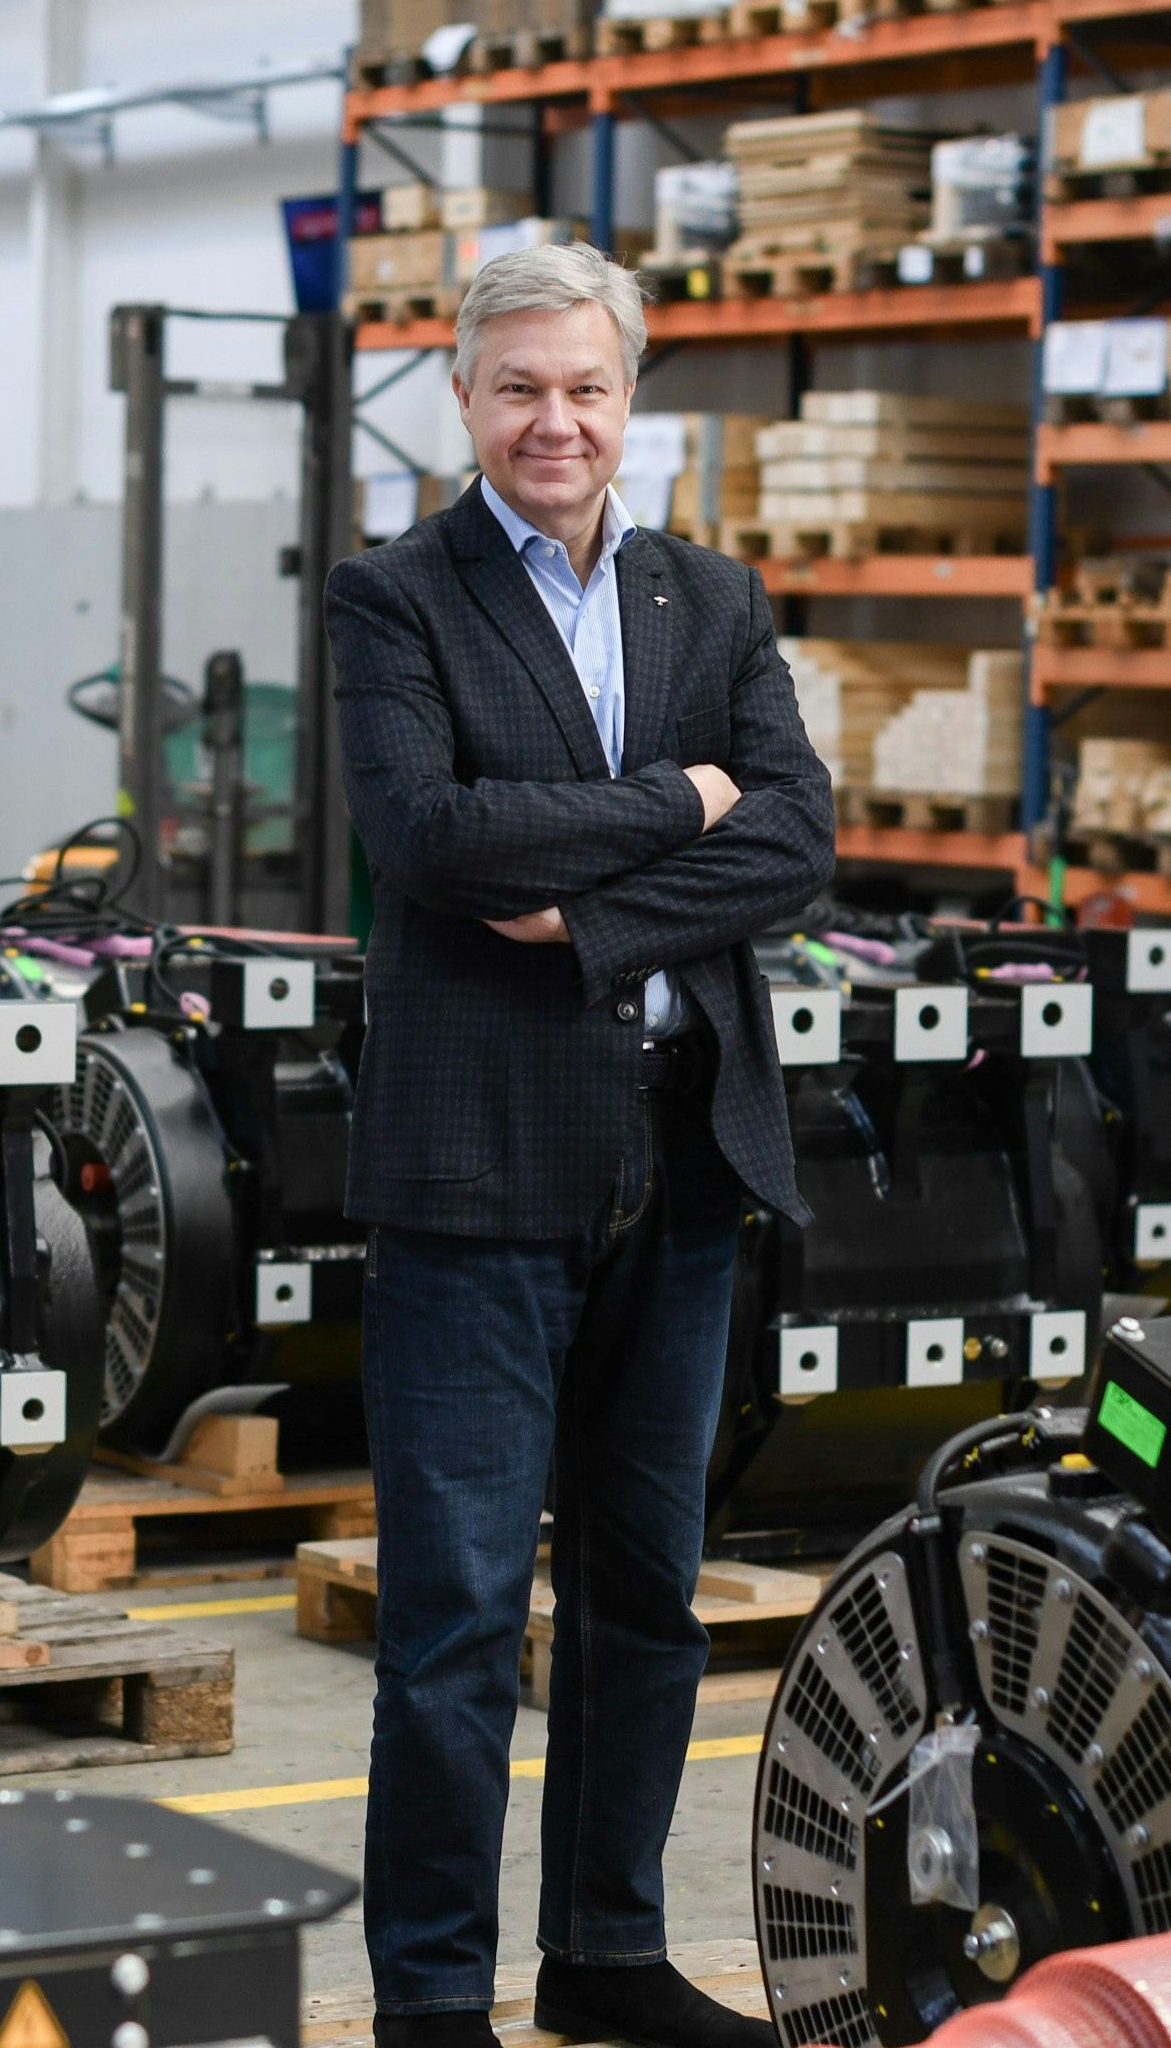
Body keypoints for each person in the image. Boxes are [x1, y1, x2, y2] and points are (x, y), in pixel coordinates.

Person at [324, 241, 835, 2048]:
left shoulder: (710, 599)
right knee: (455, 1615)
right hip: (475, 1169)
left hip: (681, 1153)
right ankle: (433, 1996)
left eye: (586, 386)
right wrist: (664, 808)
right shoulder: (395, 600)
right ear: (462, 395)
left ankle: (606, 1952)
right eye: (520, 386)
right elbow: (434, 839)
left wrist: (596, 911)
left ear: (630, 399)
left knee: (645, 1594)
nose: (556, 419)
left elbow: (793, 837)